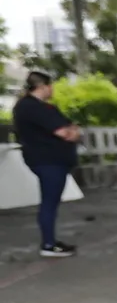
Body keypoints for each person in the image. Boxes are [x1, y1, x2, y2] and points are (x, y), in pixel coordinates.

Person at [12, 71, 82, 257]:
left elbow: (71, 127)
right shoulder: (32, 107)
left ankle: (50, 242)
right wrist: (72, 133)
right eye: (51, 86)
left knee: (50, 201)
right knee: (49, 202)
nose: (53, 90)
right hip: (48, 160)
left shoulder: (36, 107)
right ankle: (48, 244)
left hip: (50, 159)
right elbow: (66, 132)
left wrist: (72, 130)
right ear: (42, 86)